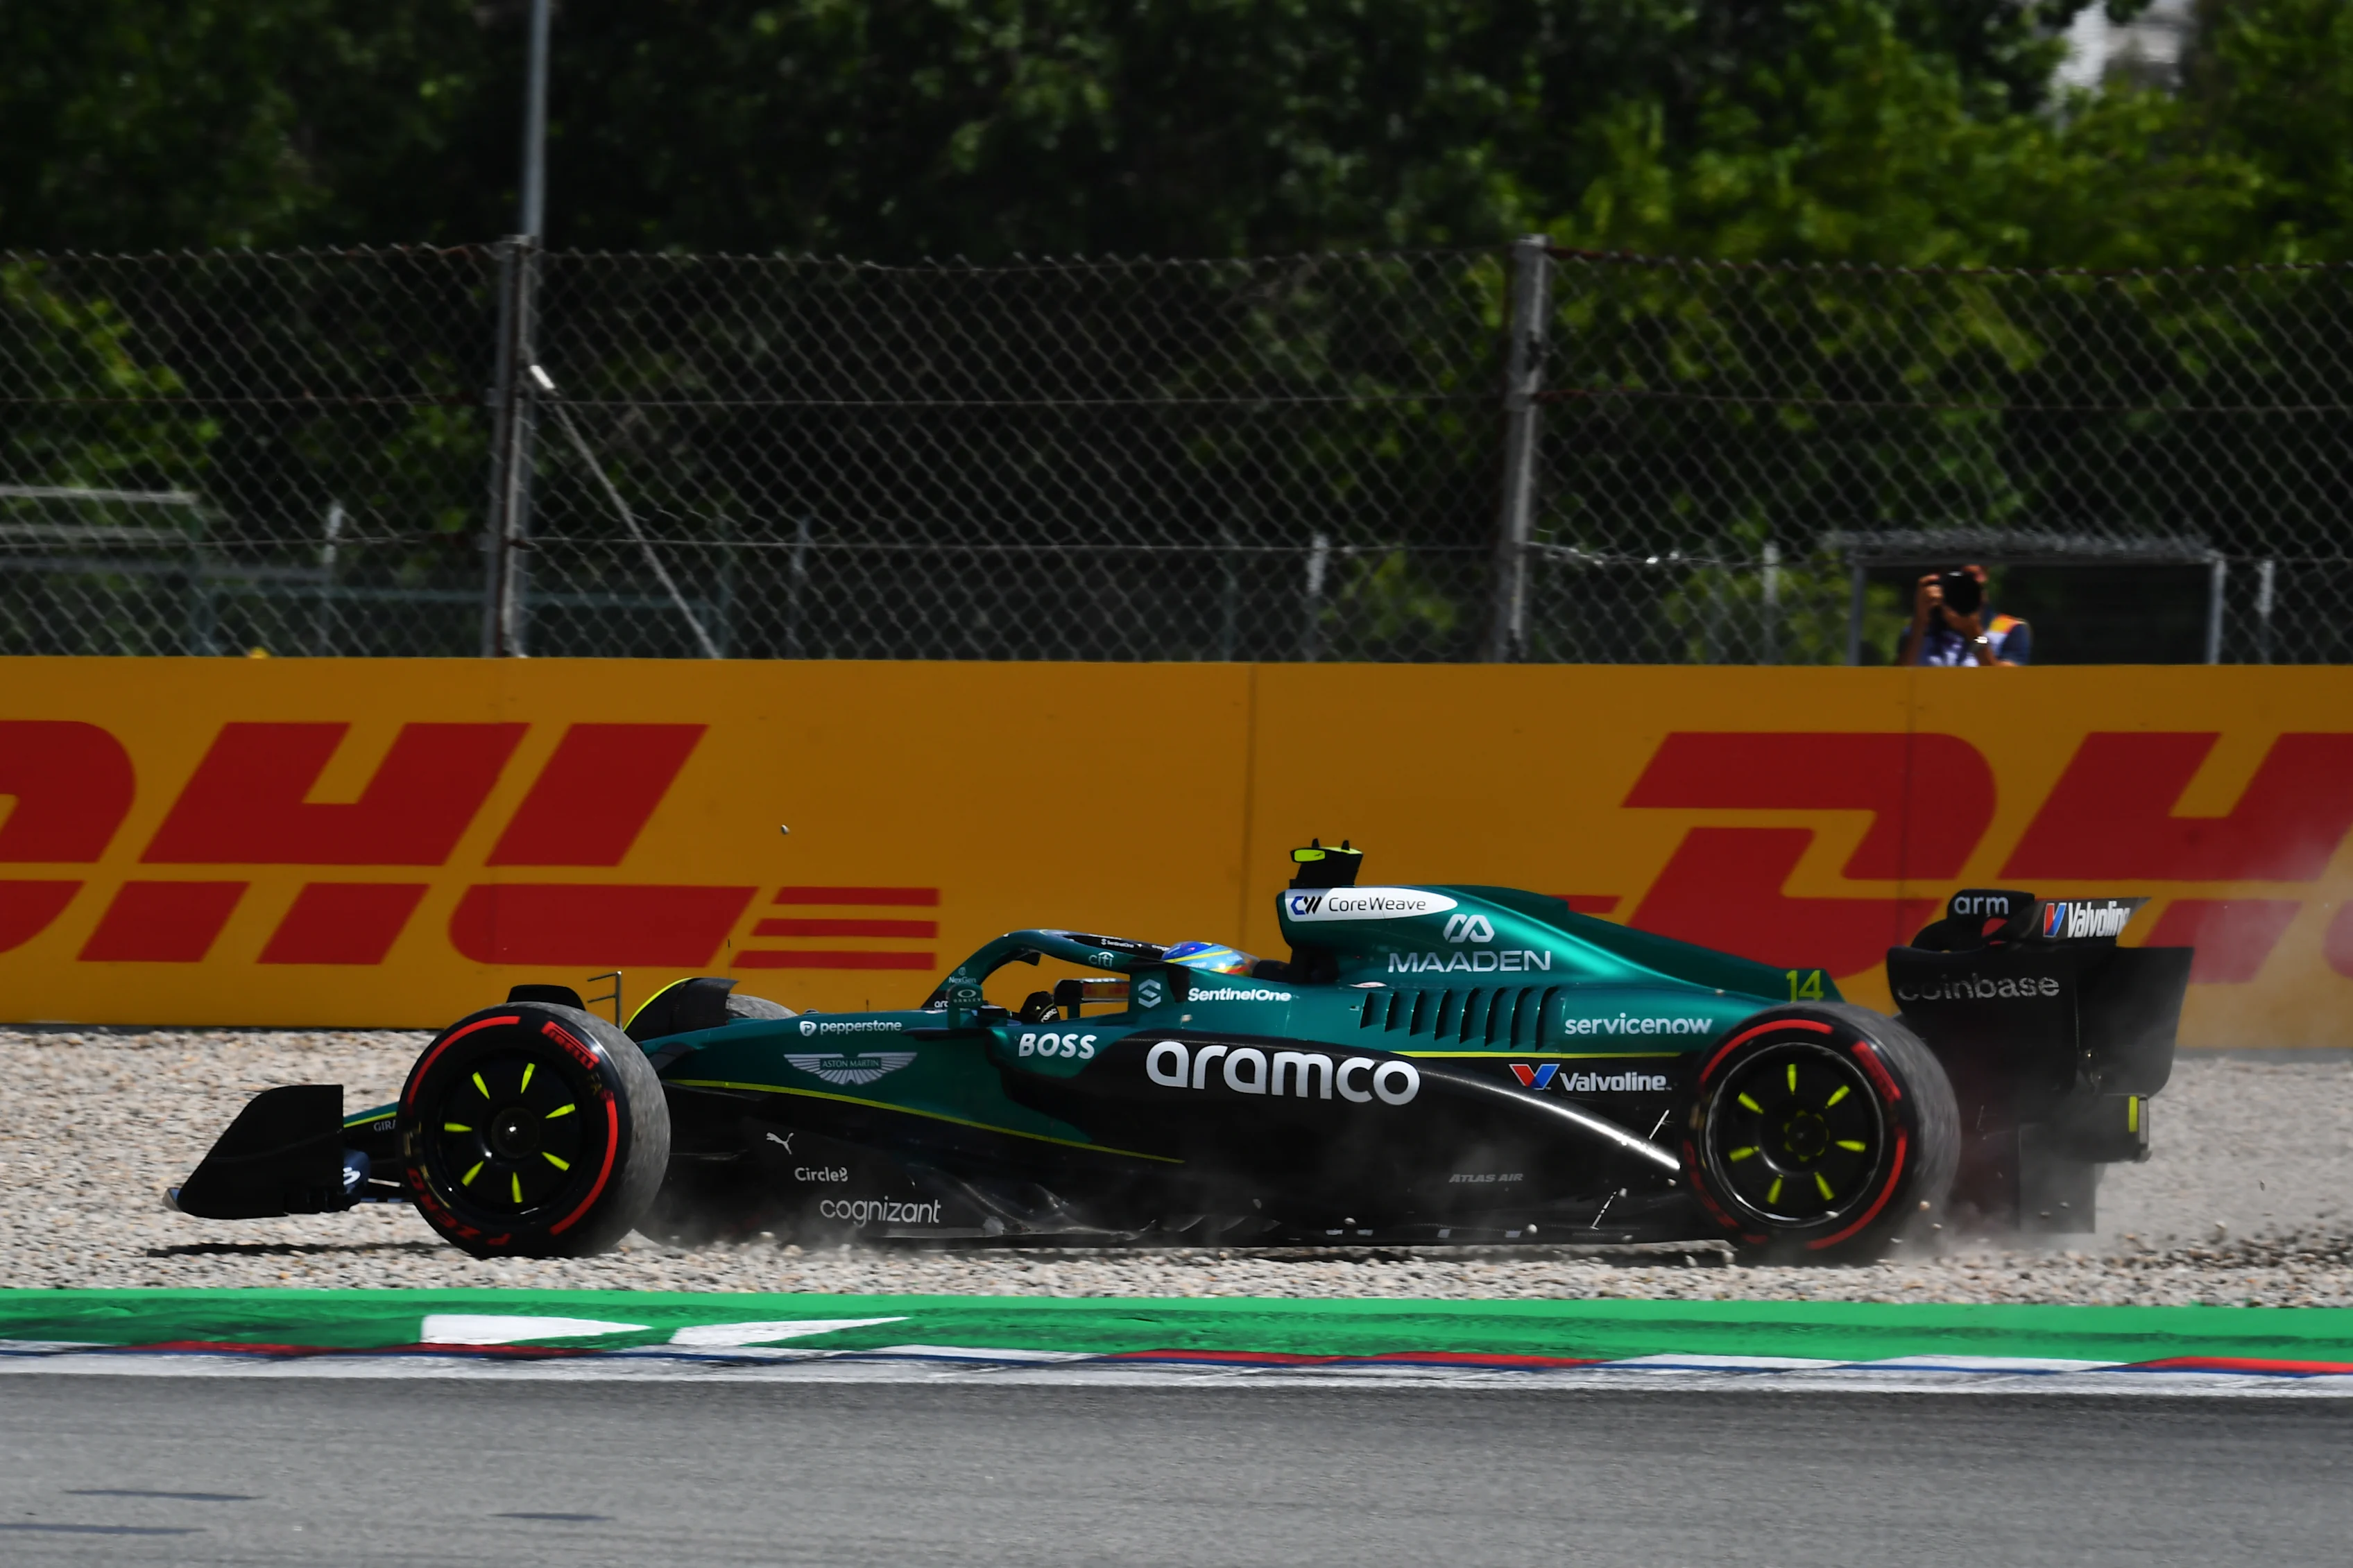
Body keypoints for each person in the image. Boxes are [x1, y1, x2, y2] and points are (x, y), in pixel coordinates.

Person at [1897, 563, 2032, 666]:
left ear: (1984, 575)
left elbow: (2006, 688)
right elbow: (1898, 684)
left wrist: (1975, 634)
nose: (1963, 587)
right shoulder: (1918, 631)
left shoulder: (2008, 630)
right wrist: (1920, 621)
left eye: (1970, 577)